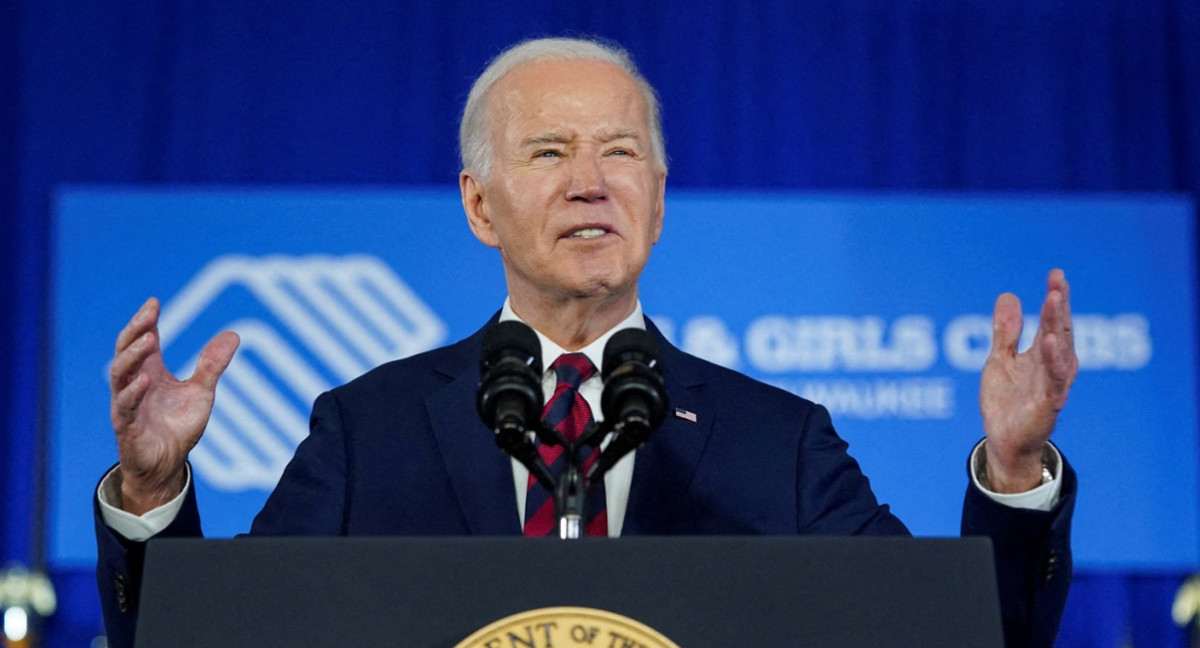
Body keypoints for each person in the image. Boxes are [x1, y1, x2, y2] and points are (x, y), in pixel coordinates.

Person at [96, 37, 1078, 648]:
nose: (590, 182)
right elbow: (216, 640)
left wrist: (1013, 466)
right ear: (480, 205)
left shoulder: (775, 441)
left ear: (657, 197)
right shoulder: (369, 430)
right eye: (550, 152)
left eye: (620, 153)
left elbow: (957, 637)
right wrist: (149, 494)